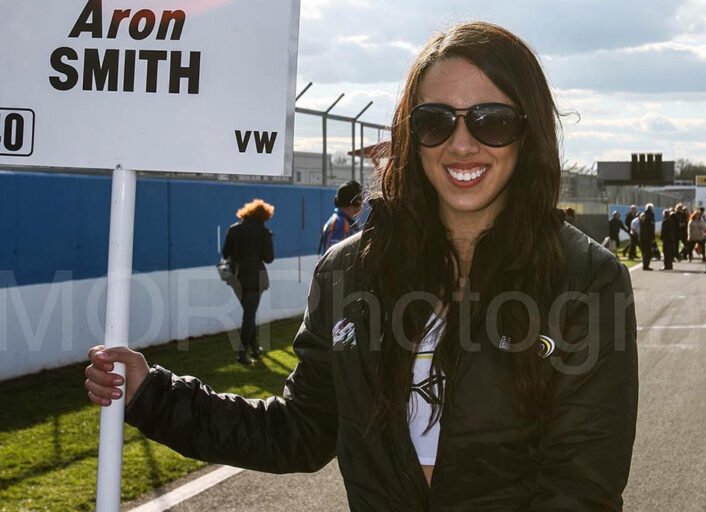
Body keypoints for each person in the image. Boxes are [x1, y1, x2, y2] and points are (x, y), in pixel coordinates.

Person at [85, 22, 638, 510]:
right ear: (410, 134)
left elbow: (582, 485)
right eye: (435, 121)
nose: (462, 144)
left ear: (528, 131)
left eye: (491, 121)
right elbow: (297, 433)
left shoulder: (587, 277)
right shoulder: (348, 273)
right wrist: (152, 394)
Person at [222, 198, 275, 364]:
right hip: (255, 277)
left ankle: (255, 348)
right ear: (264, 216)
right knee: (250, 314)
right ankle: (242, 353)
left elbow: (225, 253)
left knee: (248, 312)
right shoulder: (263, 232)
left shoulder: (234, 229)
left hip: (237, 277)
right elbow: (269, 258)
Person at [318, 180, 363, 254]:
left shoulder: (342, 222)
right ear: (355, 201)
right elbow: (334, 258)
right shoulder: (340, 224)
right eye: (361, 199)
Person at [639, 204, 656, 270]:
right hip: (648, 237)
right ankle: (646, 265)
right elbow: (651, 228)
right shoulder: (650, 216)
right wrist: (653, 237)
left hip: (641, 236)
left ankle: (644, 265)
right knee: (648, 252)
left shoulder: (642, 215)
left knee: (643, 251)